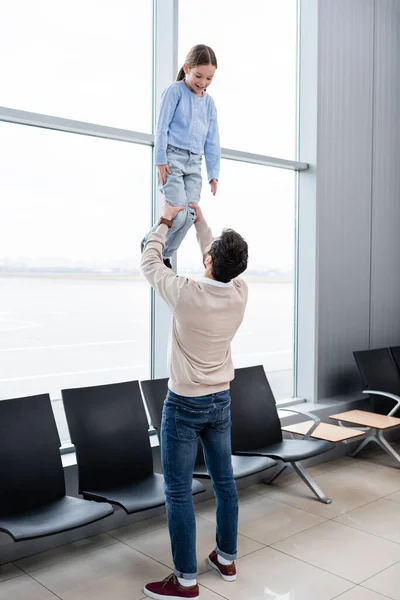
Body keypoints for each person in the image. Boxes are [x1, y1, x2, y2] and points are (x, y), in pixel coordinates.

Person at [141, 201, 249, 600]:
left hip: (184, 405)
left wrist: (165, 221)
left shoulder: (186, 294)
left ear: (208, 259)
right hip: (221, 402)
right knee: (225, 484)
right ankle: (226, 558)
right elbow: (216, 262)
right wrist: (203, 223)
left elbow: (150, 263)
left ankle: (185, 580)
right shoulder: (239, 292)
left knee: (178, 492)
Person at [141, 44, 220, 269]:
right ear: (187, 68)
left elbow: (213, 140)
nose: (203, 83)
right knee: (176, 212)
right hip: (172, 159)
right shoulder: (175, 91)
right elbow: (161, 127)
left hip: (195, 163)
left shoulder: (210, 104)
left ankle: (164, 253)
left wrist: (213, 174)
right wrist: (160, 161)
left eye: (209, 78)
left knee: (190, 214)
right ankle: (150, 243)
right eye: (198, 76)